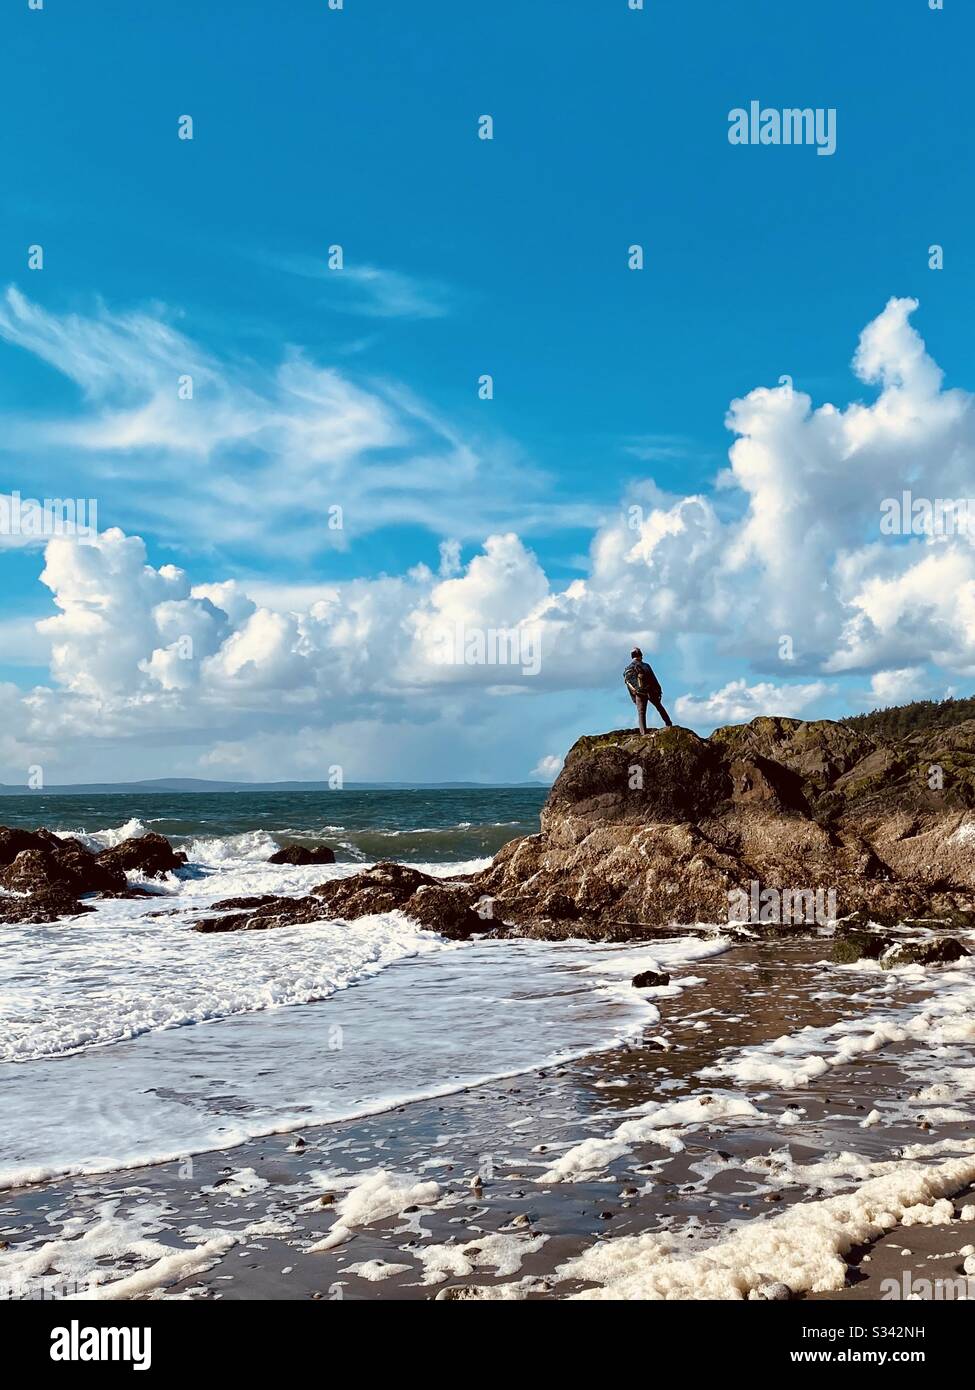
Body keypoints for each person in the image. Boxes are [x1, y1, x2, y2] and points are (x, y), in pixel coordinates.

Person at [623, 648, 672, 733]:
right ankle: (669, 724)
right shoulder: (645, 665)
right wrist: (659, 690)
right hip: (649, 690)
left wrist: (634, 697)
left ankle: (643, 733)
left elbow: (629, 683)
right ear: (640, 655)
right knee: (659, 707)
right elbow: (653, 678)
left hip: (638, 693)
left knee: (641, 713)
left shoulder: (628, 668)